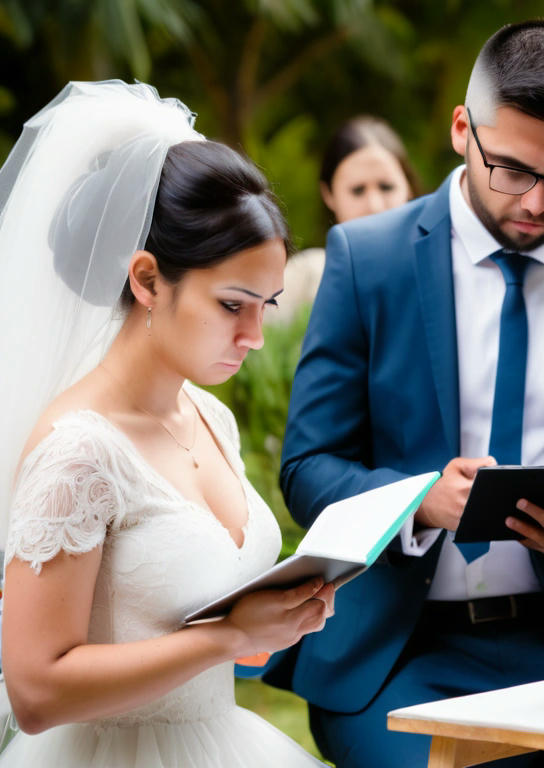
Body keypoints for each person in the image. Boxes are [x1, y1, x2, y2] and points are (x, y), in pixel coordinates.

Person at [265, 20, 544, 768]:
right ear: (464, 129)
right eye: (514, 170)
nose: (538, 201)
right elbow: (307, 469)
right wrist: (418, 500)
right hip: (403, 654)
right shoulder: (369, 260)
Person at [0, 81, 334, 766]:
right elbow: (34, 689)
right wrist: (226, 640)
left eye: (267, 304)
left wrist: (270, 624)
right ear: (148, 280)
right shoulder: (80, 453)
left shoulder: (209, 415)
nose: (255, 336)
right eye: (233, 304)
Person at [273, 116, 421, 325]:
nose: (374, 205)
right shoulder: (302, 279)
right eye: (357, 190)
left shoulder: (442, 271)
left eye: (386, 187)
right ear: (329, 195)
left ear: (408, 188)